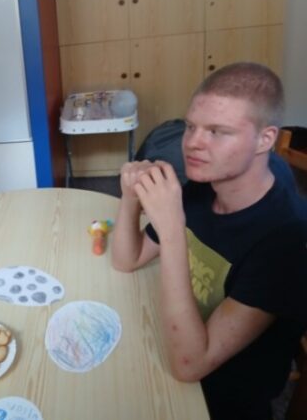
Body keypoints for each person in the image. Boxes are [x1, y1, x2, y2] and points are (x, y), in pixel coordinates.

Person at [110, 62, 307, 419]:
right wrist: (130, 197)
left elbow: (189, 366)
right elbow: (127, 259)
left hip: (221, 395)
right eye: (191, 126)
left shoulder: (284, 241)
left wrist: (172, 231)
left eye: (218, 131)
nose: (192, 144)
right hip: (175, 342)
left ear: (265, 140)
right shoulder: (208, 183)